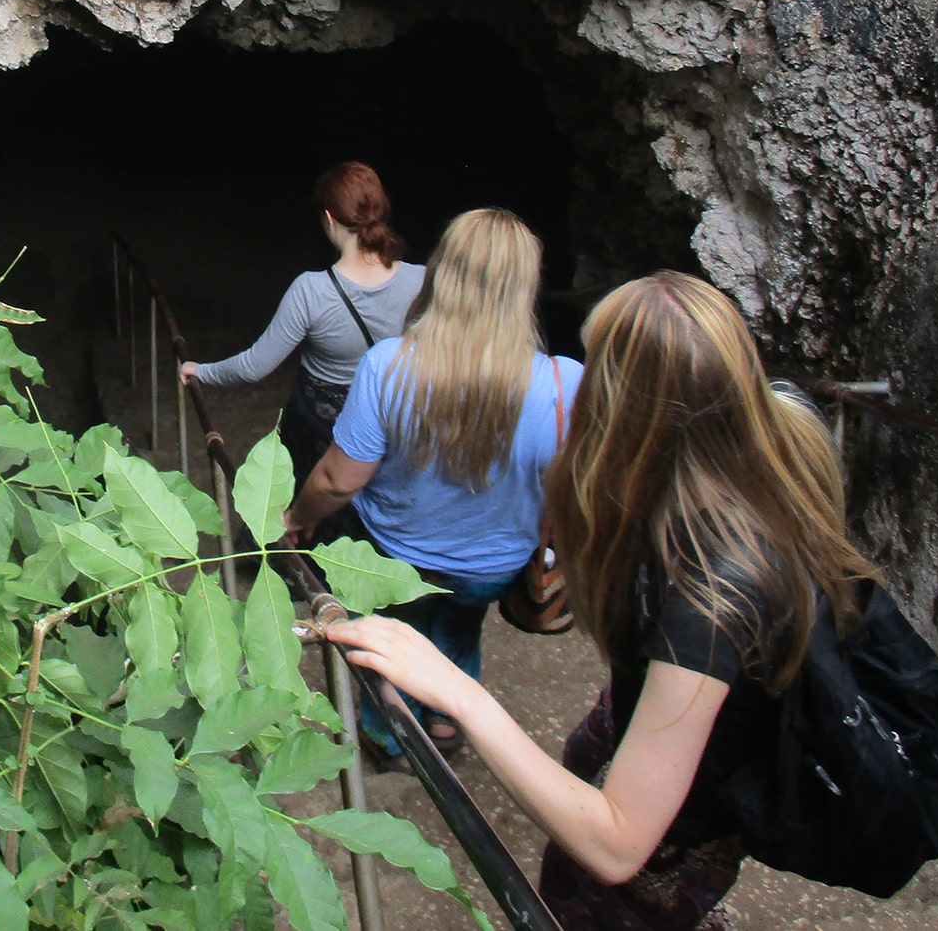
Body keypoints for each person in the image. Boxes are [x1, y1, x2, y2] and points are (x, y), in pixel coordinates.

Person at [327, 271, 875, 929]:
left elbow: (618, 844)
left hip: (658, 864)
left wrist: (455, 690)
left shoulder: (709, 605)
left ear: (622, 406)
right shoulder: (717, 491)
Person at [286, 208, 584, 768]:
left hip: (392, 554)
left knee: (389, 636)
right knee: (460, 624)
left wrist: (297, 517)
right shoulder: (567, 384)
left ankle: (391, 736)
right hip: (492, 565)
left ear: (441, 273)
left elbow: (337, 479)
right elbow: (568, 487)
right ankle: (447, 721)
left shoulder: (387, 367)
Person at [179, 162, 424, 501]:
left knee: (284, 520)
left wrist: (200, 372)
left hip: (317, 436)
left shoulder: (311, 291)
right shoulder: (422, 281)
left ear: (329, 218)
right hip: (390, 430)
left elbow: (254, 366)